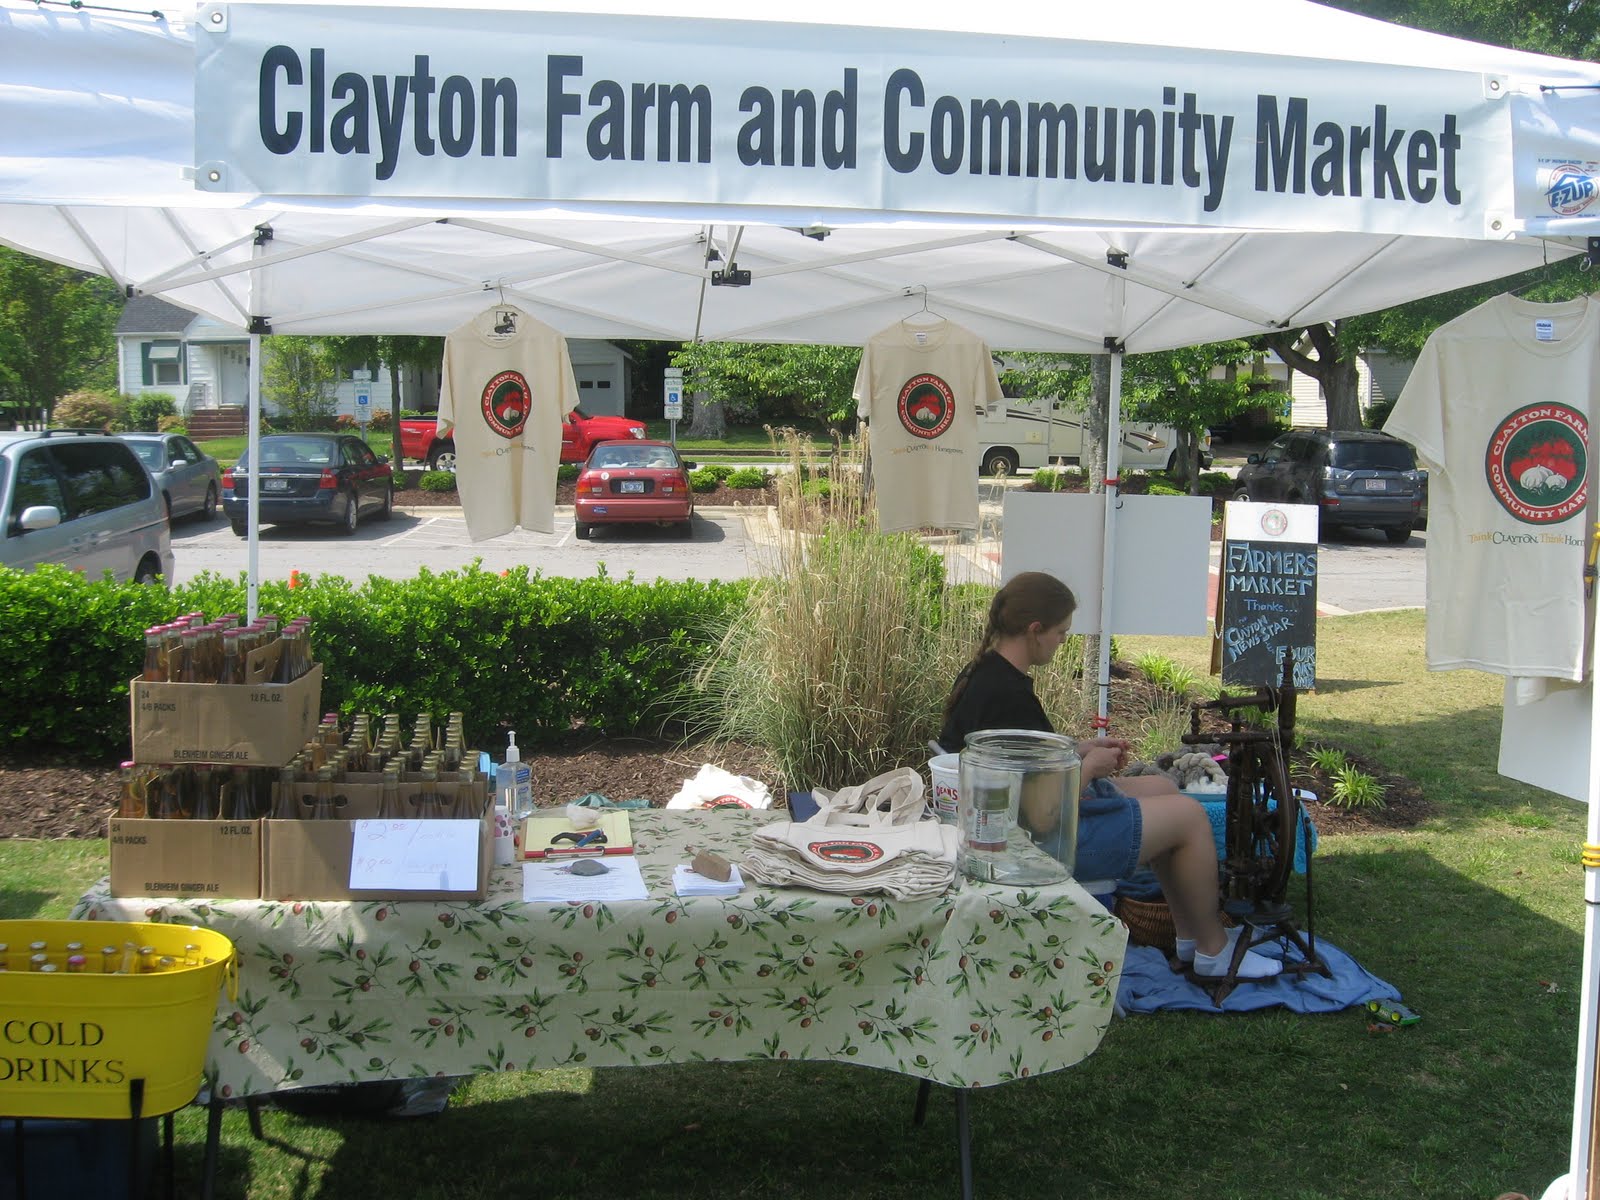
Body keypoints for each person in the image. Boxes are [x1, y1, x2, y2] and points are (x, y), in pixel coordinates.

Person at [939, 571, 1280, 980]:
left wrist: (1075, 751)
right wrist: (1086, 769)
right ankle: (1214, 949)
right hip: (1028, 849)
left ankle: (1188, 937)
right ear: (1034, 630)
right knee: (1189, 817)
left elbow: (1023, 769)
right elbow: (1042, 813)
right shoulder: (1008, 696)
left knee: (1162, 786)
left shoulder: (986, 674)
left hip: (1007, 829)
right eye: (1061, 633)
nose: (1062, 641)